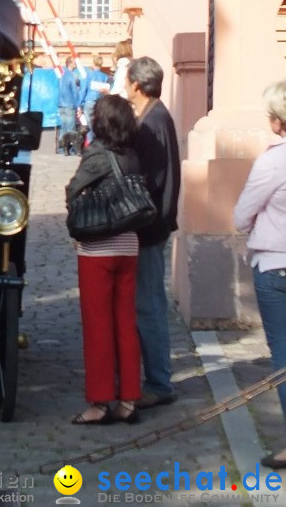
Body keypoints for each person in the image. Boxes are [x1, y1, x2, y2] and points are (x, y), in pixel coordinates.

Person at [65, 94, 143, 425]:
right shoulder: (132, 156)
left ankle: (99, 402)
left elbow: (73, 191)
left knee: (98, 327)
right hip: (128, 245)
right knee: (125, 323)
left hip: (98, 249)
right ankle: (129, 398)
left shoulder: (96, 155)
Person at [233, 80, 286, 470]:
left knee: (284, 355)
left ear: (276, 121)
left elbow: (240, 215)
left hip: (277, 266)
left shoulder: (273, 161)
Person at [125, 56, 181, 409]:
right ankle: (156, 377)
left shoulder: (153, 122)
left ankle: (159, 382)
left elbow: (152, 180)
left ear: (137, 85)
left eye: (128, 81)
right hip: (153, 224)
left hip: (149, 227)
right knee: (147, 304)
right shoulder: (153, 117)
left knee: (149, 306)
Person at [57, 56, 82, 156]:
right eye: (74, 63)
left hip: (60, 104)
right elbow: (75, 92)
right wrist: (78, 105)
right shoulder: (72, 76)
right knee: (71, 129)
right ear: (70, 64)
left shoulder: (61, 75)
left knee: (63, 127)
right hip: (70, 104)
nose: (76, 64)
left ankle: (62, 148)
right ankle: (72, 149)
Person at [79, 54, 110, 128]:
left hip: (89, 101)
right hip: (100, 102)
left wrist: (79, 104)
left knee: (89, 126)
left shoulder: (88, 75)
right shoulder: (105, 76)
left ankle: (91, 139)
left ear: (93, 63)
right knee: (98, 126)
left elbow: (83, 90)